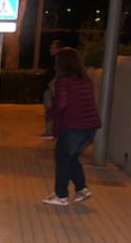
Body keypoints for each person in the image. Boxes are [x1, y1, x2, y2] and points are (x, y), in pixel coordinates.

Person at [43, 47, 101, 206]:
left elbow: (61, 104)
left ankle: (61, 196)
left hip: (73, 127)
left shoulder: (64, 81)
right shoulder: (86, 80)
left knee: (62, 159)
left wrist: (50, 112)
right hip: (89, 128)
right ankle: (82, 189)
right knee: (71, 158)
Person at [40, 40, 62, 140]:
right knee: (49, 109)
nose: (50, 50)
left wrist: (50, 85)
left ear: (58, 49)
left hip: (52, 90)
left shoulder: (59, 61)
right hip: (49, 89)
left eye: (53, 48)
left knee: (50, 110)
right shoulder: (54, 60)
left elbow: (58, 75)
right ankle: (50, 130)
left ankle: (50, 131)